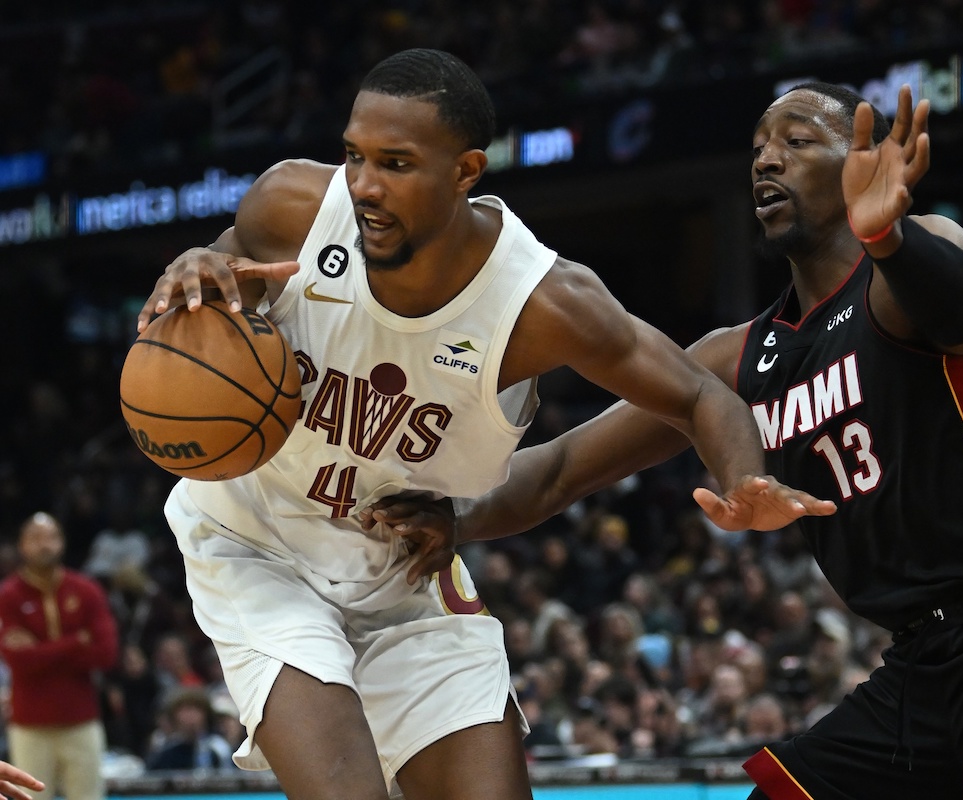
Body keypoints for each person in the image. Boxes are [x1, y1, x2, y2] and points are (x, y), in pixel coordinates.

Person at [373, 83, 963, 800]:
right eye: (757, 147)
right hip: (923, 662)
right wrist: (453, 514)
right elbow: (557, 472)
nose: (766, 159)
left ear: (864, 159)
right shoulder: (736, 358)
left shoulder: (919, 260)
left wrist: (889, 238)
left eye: (796, 140)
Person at [133, 48, 821, 800]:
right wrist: (195, 270)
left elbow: (698, 395)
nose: (364, 186)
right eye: (355, 157)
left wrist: (744, 477)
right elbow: (220, 276)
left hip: (403, 572)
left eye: (396, 164)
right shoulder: (293, 209)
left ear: (465, 171)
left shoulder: (543, 304)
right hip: (254, 542)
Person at [0, 513, 119, 800]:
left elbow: (106, 654)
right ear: (22, 545)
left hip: (81, 720)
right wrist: (76, 642)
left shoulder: (87, 590)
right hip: (30, 724)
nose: (44, 545)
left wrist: (40, 650)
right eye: (36, 538)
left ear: (62, 543)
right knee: (31, 798)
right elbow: (18, 662)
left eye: (51, 537)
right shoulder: (8, 596)